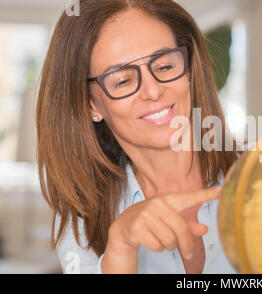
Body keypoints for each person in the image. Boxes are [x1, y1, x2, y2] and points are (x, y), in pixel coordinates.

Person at [36, 0, 242, 274]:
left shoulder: (261, 175)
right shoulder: (83, 223)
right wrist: (120, 248)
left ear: (189, 69)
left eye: (166, 66)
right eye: (122, 81)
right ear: (90, 105)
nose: (153, 91)